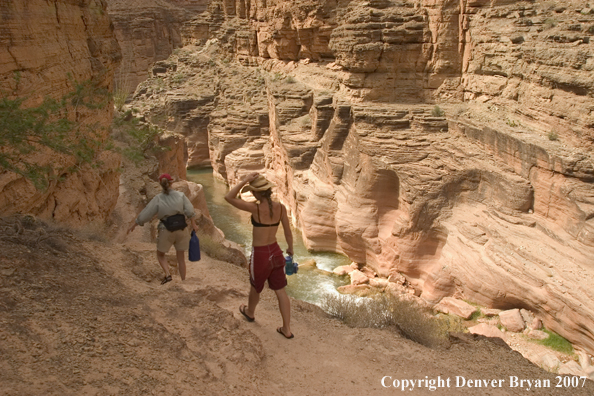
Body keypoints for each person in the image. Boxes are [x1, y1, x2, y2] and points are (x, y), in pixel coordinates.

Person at [225, 172, 295, 339]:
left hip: (261, 254)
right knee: (280, 291)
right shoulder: (281, 208)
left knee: (256, 285)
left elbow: (229, 197)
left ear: (257, 192)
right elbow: (287, 231)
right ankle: (287, 329)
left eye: (253, 191)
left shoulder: (255, 208)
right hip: (276, 251)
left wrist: (244, 181)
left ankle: (250, 312)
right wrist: (290, 249)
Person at [127, 173, 199, 285]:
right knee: (181, 258)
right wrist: (194, 224)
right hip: (182, 229)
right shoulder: (181, 195)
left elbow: (147, 213)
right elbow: (190, 211)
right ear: (171, 183)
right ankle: (183, 281)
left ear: (161, 184)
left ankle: (167, 274)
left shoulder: (158, 198)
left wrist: (135, 224)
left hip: (166, 230)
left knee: (160, 255)